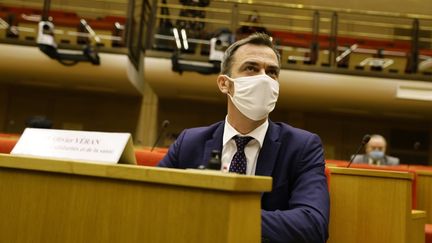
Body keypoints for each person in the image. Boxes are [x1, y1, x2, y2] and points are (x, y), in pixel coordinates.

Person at [158, 33, 329, 243]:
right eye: (252, 68)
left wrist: (222, 214)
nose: (264, 79)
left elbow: (313, 225)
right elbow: (153, 201)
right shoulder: (189, 142)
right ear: (224, 83)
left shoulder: (302, 146)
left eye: (272, 72)